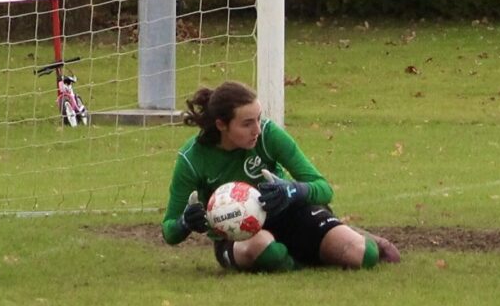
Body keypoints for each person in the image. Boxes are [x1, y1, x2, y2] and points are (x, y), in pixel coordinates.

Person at [161, 80, 400, 272]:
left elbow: (323, 188)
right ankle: (304, 260)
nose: (257, 129)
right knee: (267, 251)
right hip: (241, 236)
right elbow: (169, 232)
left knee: (363, 255)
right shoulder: (192, 159)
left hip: (291, 216)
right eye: (247, 123)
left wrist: (292, 190)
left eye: (258, 118)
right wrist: (185, 222)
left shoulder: (268, 135)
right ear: (222, 124)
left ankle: (350, 237)